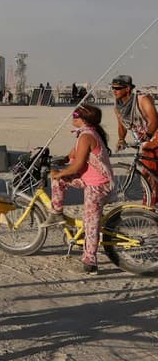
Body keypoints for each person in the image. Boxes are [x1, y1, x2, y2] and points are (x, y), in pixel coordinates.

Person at [41, 104, 114, 274]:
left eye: (75, 114)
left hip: (98, 186)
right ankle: (56, 212)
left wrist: (61, 172)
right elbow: (73, 155)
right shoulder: (84, 133)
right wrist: (61, 160)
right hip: (90, 180)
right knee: (58, 181)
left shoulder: (87, 136)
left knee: (90, 222)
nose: (72, 117)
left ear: (84, 119)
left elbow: (77, 165)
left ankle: (90, 260)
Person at [112, 74, 158, 207]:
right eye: (113, 88)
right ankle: (150, 202)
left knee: (150, 172)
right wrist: (121, 139)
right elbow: (122, 125)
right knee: (148, 172)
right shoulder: (118, 107)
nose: (114, 91)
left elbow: (154, 119)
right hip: (143, 140)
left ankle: (150, 204)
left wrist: (148, 134)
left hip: (154, 137)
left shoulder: (142, 99)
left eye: (118, 88)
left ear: (128, 89)